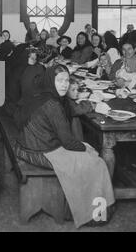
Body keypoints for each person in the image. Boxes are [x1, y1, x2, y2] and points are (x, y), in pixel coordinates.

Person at [14, 65, 115, 228]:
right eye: (59, 80)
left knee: (90, 158)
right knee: (98, 163)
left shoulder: (40, 94)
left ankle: (74, 208)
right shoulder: (52, 104)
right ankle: (94, 215)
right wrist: (85, 147)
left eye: (67, 80)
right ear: (50, 80)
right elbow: (68, 142)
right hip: (41, 152)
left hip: (26, 147)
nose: (64, 85)